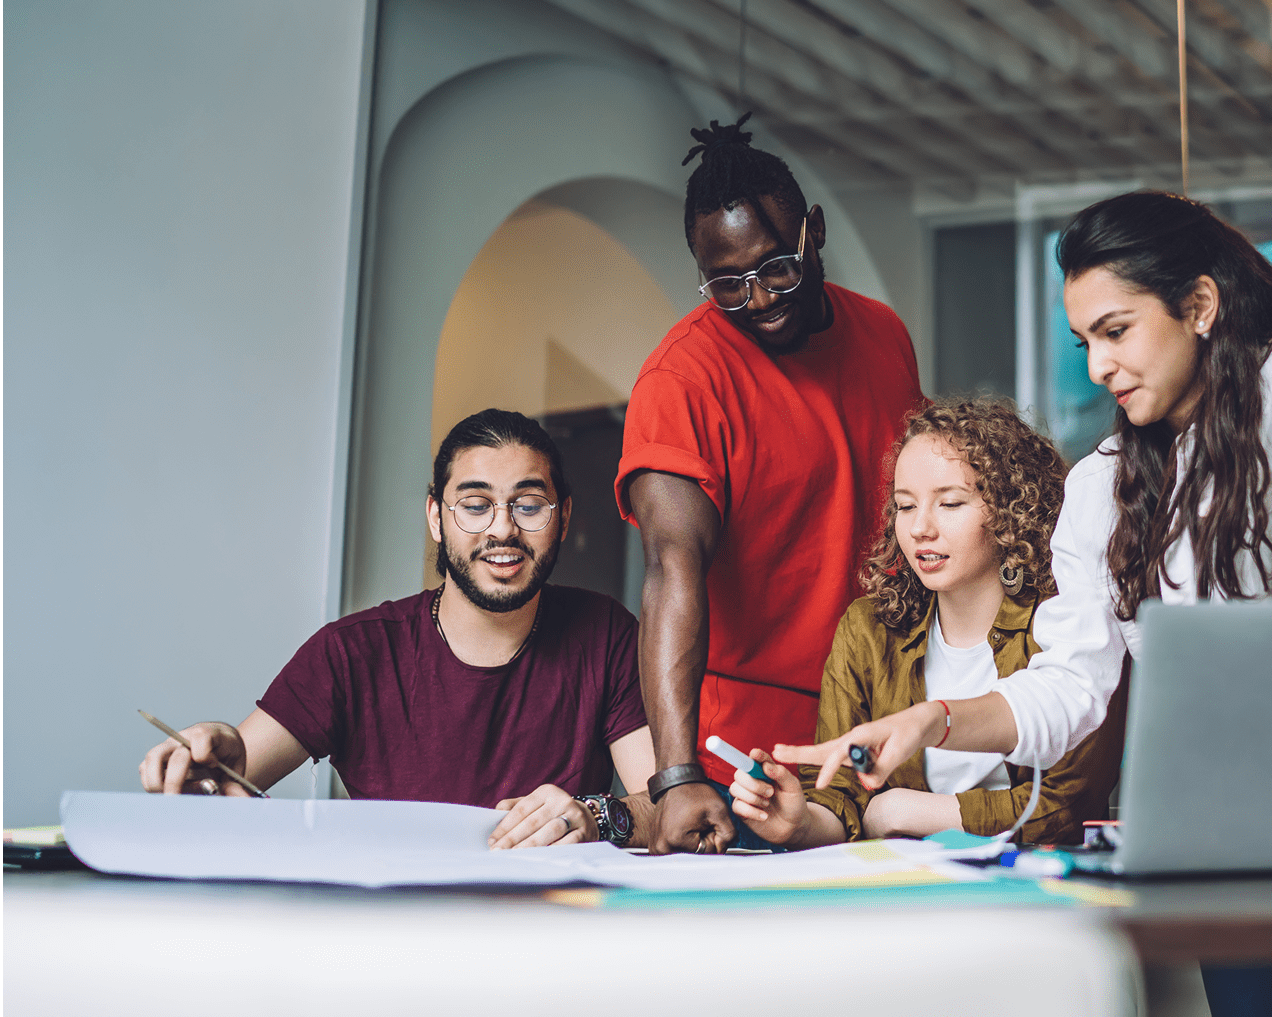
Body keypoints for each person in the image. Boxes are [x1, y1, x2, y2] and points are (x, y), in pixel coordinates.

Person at [778, 192, 1272, 1015]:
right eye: (1084, 341)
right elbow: (1070, 684)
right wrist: (933, 719)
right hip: (1226, 822)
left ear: (1198, 305)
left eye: (1115, 331)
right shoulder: (1101, 484)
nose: (1096, 366)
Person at [140, 409, 656, 851]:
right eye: (475, 506)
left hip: (549, 935)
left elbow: (669, 808)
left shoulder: (605, 635)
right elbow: (226, 783)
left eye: (528, 505)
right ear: (436, 517)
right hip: (386, 937)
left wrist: (598, 817)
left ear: (562, 517)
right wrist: (210, 769)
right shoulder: (351, 653)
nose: (502, 528)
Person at [617, 114, 922, 854]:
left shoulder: (882, 332)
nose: (758, 300)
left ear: (812, 232)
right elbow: (670, 571)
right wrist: (676, 775)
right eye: (727, 285)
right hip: (746, 761)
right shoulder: (682, 380)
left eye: (776, 268)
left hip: (879, 731)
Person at [726, 399, 1125, 849]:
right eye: (906, 506)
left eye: (950, 503)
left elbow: (1066, 808)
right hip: (907, 894)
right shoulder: (867, 630)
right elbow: (840, 798)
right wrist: (799, 822)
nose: (920, 528)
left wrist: (908, 811)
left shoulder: (1071, 624)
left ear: (1014, 509)